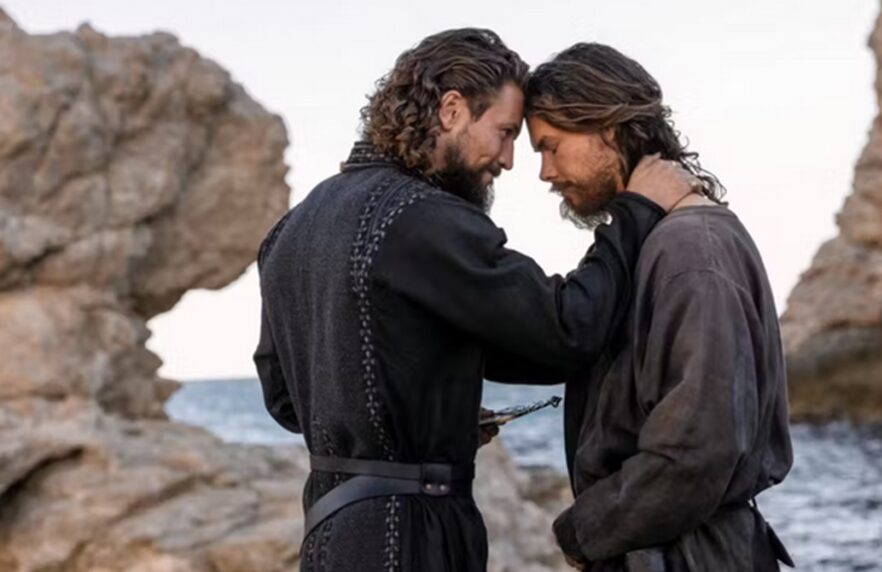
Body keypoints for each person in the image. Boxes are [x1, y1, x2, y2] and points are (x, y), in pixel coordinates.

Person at [252, 29, 693, 572]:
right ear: (452, 110)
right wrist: (635, 211)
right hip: (410, 540)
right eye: (505, 133)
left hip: (329, 534)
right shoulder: (421, 217)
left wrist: (433, 418)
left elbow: (285, 400)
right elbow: (567, 329)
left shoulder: (290, 230)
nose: (508, 160)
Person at [519, 43, 795, 571]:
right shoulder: (665, 241)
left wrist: (581, 533)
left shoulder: (690, 249)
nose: (545, 172)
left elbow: (698, 449)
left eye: (551, 147)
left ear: (609, 128)